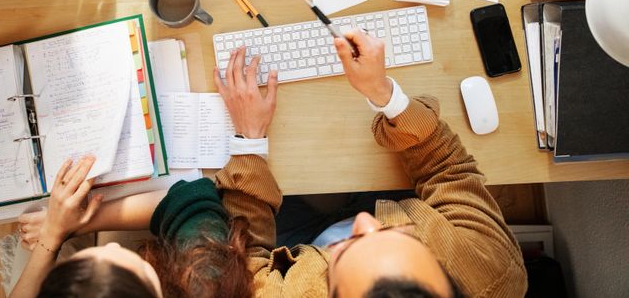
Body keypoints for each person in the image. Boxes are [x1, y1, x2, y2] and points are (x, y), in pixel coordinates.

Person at [213, 33, 528, 298]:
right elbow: (447, 170)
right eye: (405, 235)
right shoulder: (492, 268)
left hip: (298, 241)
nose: (364, 220)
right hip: (399, 193)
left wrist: (249, 141)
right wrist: (387, 97)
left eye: (344, 249)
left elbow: (247, 264)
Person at [11, 155, 253, 298]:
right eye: (142, 268)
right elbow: (192, 196)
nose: (113, 245)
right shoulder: (204, 283)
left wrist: (54, 234)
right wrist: (82, 222)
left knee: (39, 220)